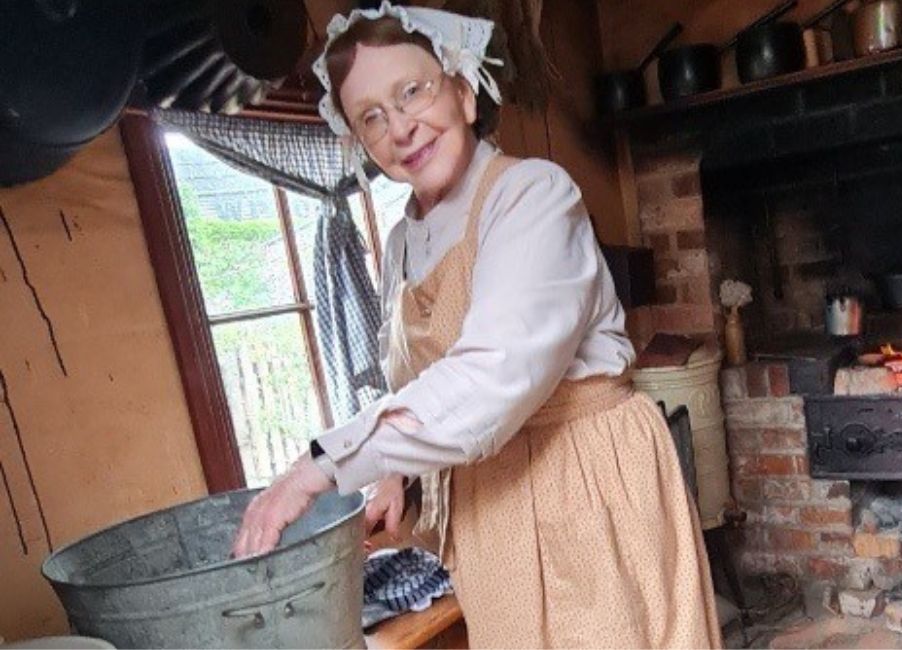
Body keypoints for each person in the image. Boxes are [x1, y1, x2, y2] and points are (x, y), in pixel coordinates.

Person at [232, 3, 721, 647]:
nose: (400, 128)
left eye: (413, 91)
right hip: (491, 506)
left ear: (463, 92)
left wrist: (319, 466)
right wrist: (395, 471)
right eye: (371, 117)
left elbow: (495, 374)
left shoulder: (533, 196)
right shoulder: (403, 242)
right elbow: (420, 380)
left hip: (584, 485)